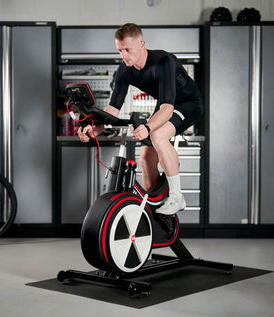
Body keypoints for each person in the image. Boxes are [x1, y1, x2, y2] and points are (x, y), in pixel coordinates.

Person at [78, 23, 203, 215]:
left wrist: (147, 126)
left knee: (158, 135)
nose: (124, 55)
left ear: (142, 44)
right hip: (163, 107)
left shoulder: (164, 62)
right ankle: (156, 206)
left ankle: (177, 197)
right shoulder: (125, 70)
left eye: (128, 49)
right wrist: (96, 128)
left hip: (188, 104)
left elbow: (168, 108)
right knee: (145, 157)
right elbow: (113, 109)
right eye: (120, 50)